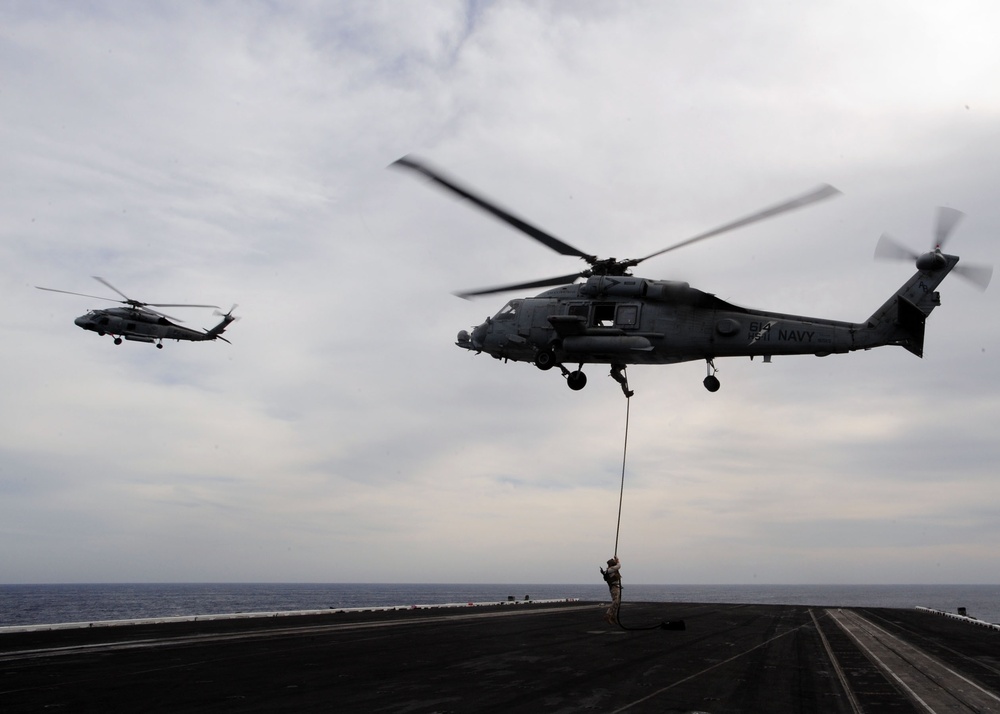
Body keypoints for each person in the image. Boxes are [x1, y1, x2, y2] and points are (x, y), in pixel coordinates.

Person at [599, 556, 622, 624]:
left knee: (617, 602)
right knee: (615, 602)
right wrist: (617, 559)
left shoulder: (610, 570)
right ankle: (608, 615)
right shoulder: (610, 570)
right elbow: (619, 565)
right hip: (614, 588)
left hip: (615, 587)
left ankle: (613, 616)